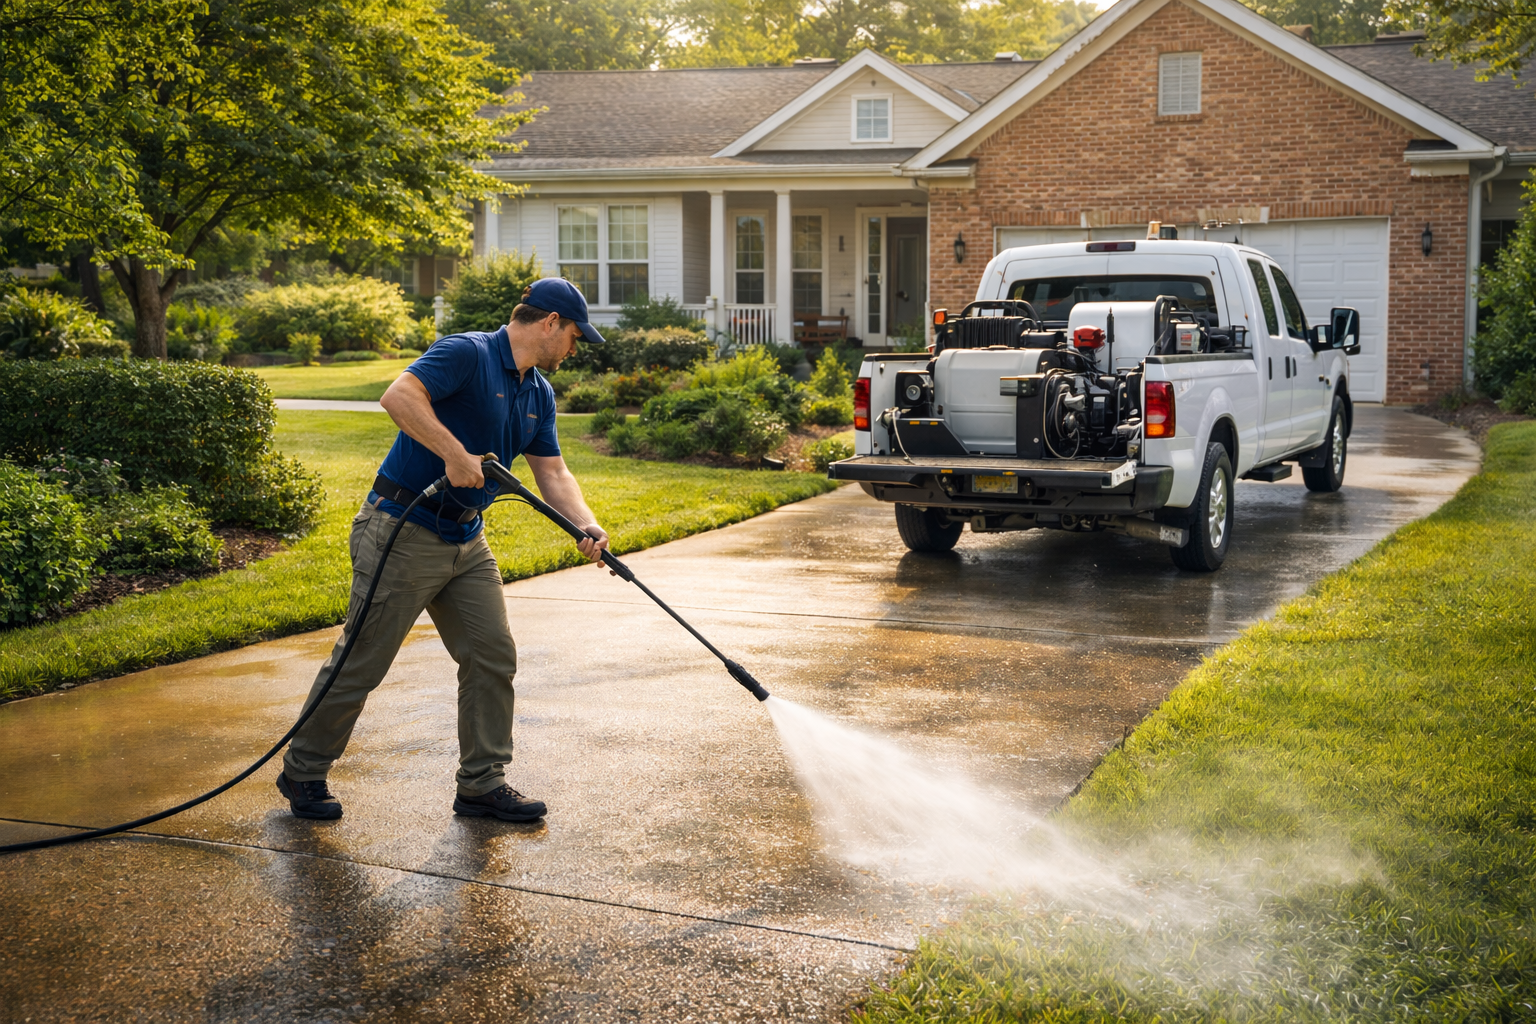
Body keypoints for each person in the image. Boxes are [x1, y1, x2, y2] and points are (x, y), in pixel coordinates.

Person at [275, 278, 609, 823]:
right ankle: (303, 771)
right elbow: (399, 396)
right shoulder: (468, 353)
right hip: (402, 530)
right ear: (550, 322)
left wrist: (585, 523)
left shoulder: (538, 392)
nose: (575, 349)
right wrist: (454, 453)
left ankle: (481, 783)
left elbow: (552, 471)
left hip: (466, 538)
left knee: (491, 655)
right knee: (362, 661)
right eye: (575, 336)